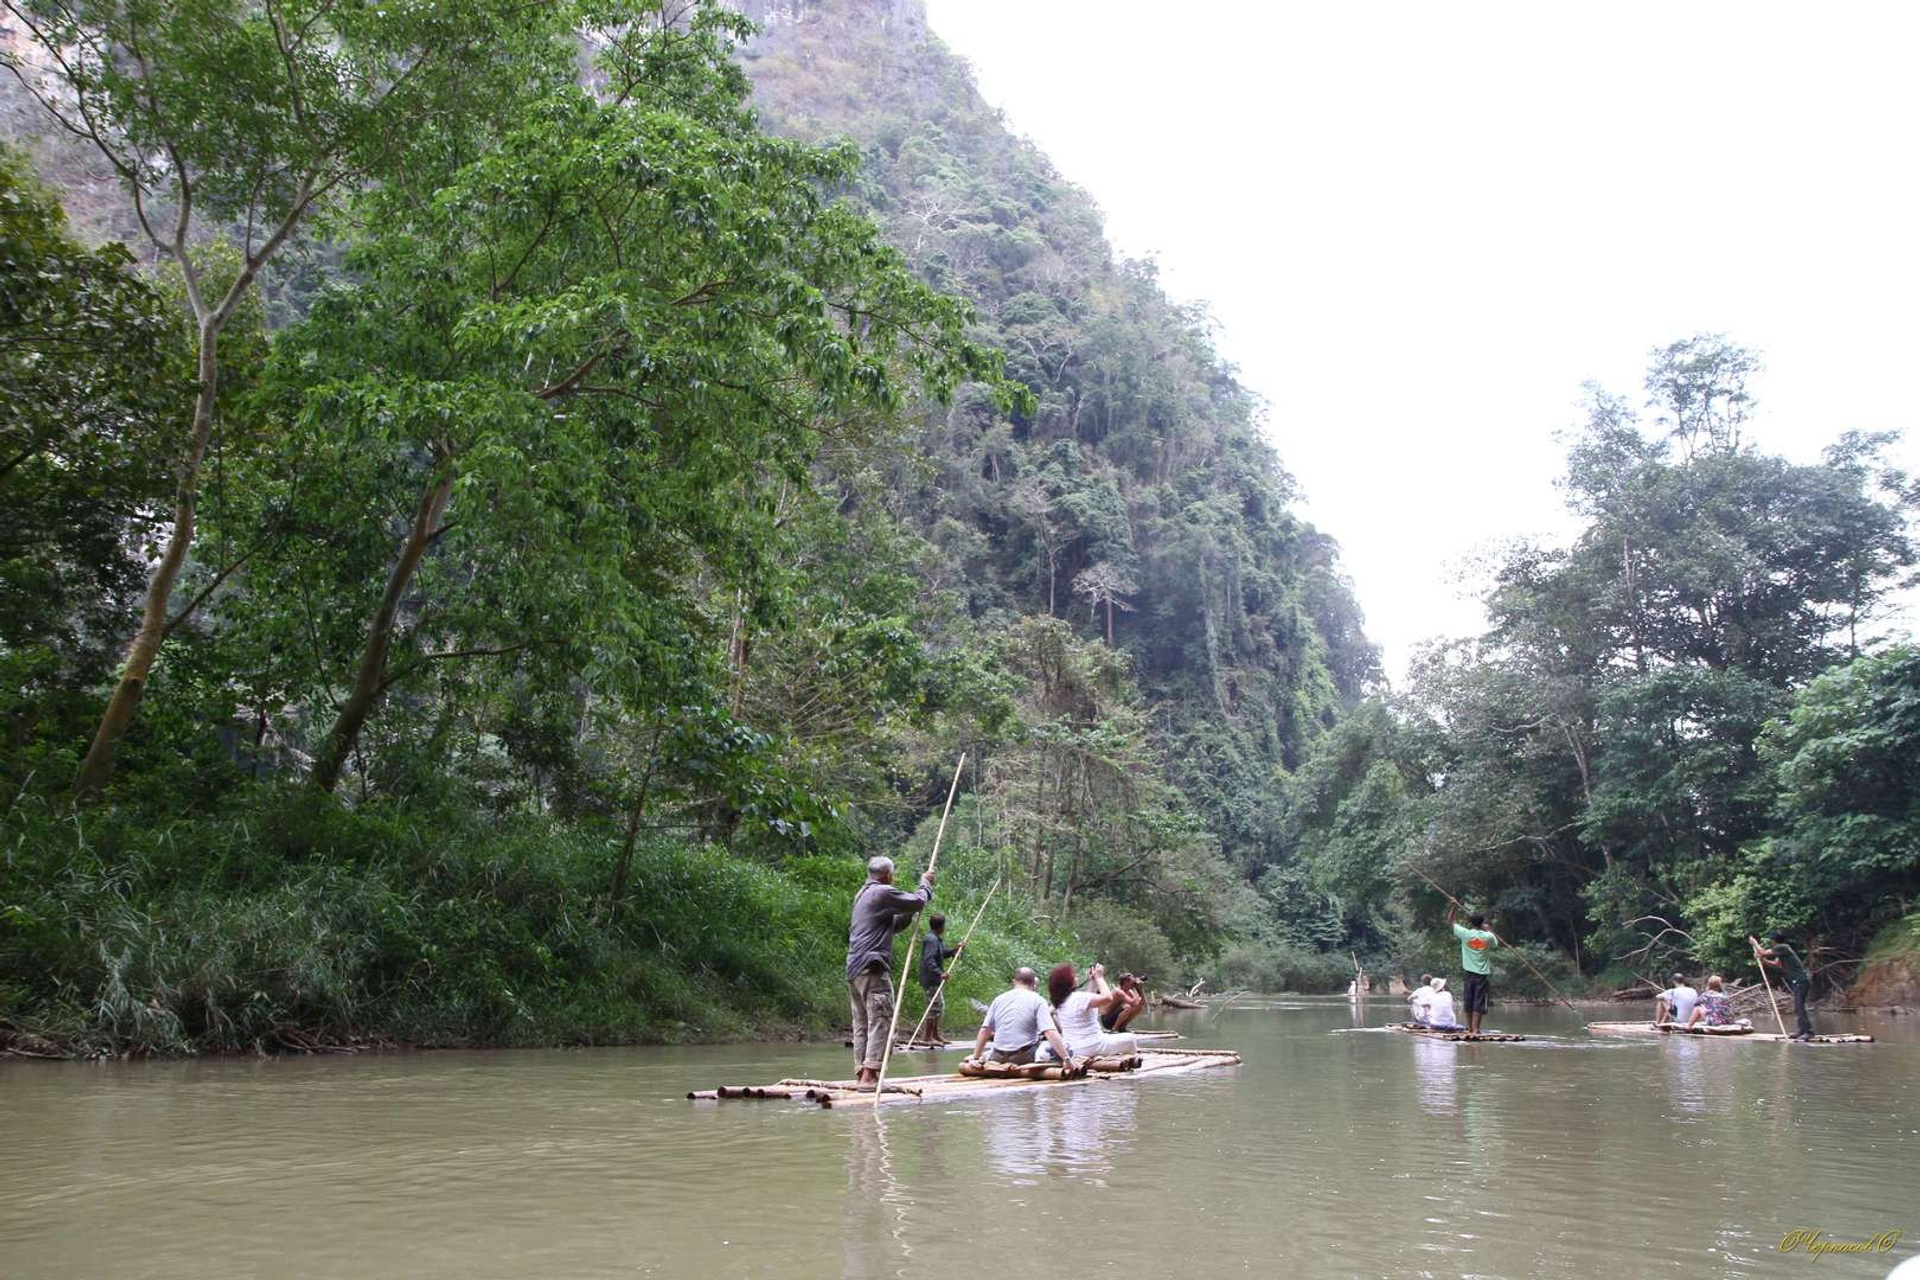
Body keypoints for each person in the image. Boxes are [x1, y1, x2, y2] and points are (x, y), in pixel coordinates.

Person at [846, 855, 934, 1088]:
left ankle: (862, 1073)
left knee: (863, 1023)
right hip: (872, 968)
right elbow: (918, 900)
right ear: (888, 876)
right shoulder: (882, 892)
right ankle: (869, 1077)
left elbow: (892, 925)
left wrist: (909, 913)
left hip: (855, 969)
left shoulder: (863, 895)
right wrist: (925, 883)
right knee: (882, 1021)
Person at [966, 968, 1075, 1067]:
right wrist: (1067, 1059)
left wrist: (976, 1057)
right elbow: (1050, 1032)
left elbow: (985, 1030)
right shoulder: (1038, 1000)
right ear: (1034, 983)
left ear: (1014, 982)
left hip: (998, 1056)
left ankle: (986, 1056)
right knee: (1063, 1045)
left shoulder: (998, 999)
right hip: (1024, 1056)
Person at [1040, 962, 1140, 1061]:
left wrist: (1093, 981)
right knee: (1131, 1039)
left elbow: (1087, 1001)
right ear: (1068, 982)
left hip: (1072, 1048)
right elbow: (1108, 998)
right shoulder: (1080, 997)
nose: (1077, 977)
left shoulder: (1059, 1001)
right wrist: (1099, 977)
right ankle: (1130, 1063)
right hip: (1095, 1045)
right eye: (1074, 976)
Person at [1447, 904, 1500, 1034]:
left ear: (1470, 923)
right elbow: (1496, 943)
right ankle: (1476, 1029)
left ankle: (1470, 1028)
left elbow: (1450, 922)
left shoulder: (1465, 934)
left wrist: (1454, 907)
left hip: (1469, 974)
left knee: (1469, 1001)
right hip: (1482, 975)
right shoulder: (1488, 936)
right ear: (1482, 923)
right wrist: (1488, 929)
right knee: (1479, 1002)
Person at [1751, 932, 1815, 1040]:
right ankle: (1802, 1030)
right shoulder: (1782, 952)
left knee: (1799, 1006)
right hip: (1797, 982)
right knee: (1797, 1007)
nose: (1771, 943)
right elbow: (1778, 965)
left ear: (1774, 940)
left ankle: (1808, 1032)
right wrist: (1763, 960)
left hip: (1801, 981)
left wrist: (1755, 943)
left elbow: (1762, 952)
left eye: (1771, 941)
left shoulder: (1783, 947)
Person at [915, 912, 962, 1046]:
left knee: (938, 1006)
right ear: (941, 926)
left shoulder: (935, 939)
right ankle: (927, 1037)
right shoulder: (931, 940)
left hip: (934, 979)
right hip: (931, 980)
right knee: (934, 1007)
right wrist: (939, 973)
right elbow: (929, 960)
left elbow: (941, 954)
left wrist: (954, 950)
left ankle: (935, 1035)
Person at [1685, 975, 1749, 1030]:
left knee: (1697, 1008)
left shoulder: (1706, 995)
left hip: (1715, 1022)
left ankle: (1689, 1026)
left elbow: (1696, 1003)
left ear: (1709, 984)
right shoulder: (1724, 995)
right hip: (1728, 1022)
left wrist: (1706, 992)